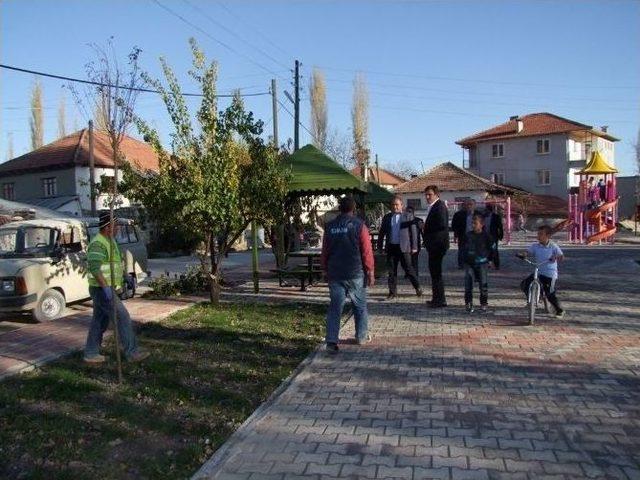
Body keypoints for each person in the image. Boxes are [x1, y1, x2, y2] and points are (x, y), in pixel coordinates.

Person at [84, 211, 149, 363]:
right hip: (101, 289)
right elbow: (95, 269)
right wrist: (106, 288)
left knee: (99, 321)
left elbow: (113, 265)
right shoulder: (98, 244)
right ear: (107, 227)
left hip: (106, 288)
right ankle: (132, 353)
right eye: (115, 226)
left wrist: (124, 277)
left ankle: (91, 353)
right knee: (123, 316)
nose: (117, 229)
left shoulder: (110, 241)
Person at [320, 197, 375, 353]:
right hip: (355, 273)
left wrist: (324, 269)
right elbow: (366, 251)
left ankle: (331, 341)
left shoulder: (330, 227)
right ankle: (361, 336)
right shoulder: (359, 226)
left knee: (335, 308)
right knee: (360, 306)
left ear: (340, 208)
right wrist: (370, 271)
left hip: (335, 273)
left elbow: (325, 251)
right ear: (354, 208)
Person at [377, 196, 422, 300]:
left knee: (408, 269)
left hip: (404, 247)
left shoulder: (408, 216)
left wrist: (414, 246)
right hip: (391, 247)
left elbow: (414, 233)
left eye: (397, 205)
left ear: (402, 205)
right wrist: (380, 246)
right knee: (392, 271)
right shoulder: (387, 217)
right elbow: (382, 233)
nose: (395, 207)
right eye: (393, 205)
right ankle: (392, 292)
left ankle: (417, 286)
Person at [518, 225, 565, 319]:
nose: (538, 236)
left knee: (550, 293)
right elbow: (528, 252)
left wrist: (555, 257)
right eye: (538, 234)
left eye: (541, 234)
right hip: (539, 272)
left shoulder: (553, 246)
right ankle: (532, 300)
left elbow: (562, 257)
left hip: (550, 274)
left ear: (548, 236)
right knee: (524, 284)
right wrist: (523, 255)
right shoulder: (535, 246)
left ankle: (559, 310)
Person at [422, 185, 449, 308]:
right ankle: (436, 298)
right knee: (434, 272)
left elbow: (442, 224)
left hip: (437, 245)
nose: (427, 197)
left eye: (430, 194)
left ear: (437, 195)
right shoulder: (433, 207)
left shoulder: (440, 206)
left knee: (436, 273)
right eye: (426, 195)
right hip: (433, 245)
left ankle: (440, 300)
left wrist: (425, 227)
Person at [462, 214, 494, 313]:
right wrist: (463, 260)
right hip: (469, 263)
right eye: (472, 223)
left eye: (475, 223)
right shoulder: (468, 235)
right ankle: (468, 303)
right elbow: (462, 248)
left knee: (483, 284)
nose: (473, 225)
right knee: (468, 284)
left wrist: (491, 260)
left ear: (482, 224)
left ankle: (483, 303)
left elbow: (492, 249)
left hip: (482, 263)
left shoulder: (487, 236)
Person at [451, 199, 478, 269]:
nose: (469, 206)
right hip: (463, 235)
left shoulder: (479, 214)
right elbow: (454, 225)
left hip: (475, 236)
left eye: (471, 204)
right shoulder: (459, 214)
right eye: (468, 204)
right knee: (462, 251)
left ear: (475, 205)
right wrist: (456, 235)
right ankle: (461, 265)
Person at [483, 203, 504, 270]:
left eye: (486, 210)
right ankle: (489, 263)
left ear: (490, 210)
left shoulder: (496, 216)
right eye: (485, 210)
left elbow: (500, 227)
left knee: (494, 250)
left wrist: (501, 235)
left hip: (493, 237)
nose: (485, 211)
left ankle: (497, 265)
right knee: (487, 250)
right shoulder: (483, 217)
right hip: (485, 236)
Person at [405, 206, 424, 276]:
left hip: (415, 243)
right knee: (407, 259)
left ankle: (415, 273)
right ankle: (408, 273)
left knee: (414, 259)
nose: (408, 213)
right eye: (407, 211)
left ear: (413, 212)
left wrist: (424, 241)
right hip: (406, 244)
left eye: (410, 211)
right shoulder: (404, 221)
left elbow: (423, 232)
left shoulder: (419, 220)